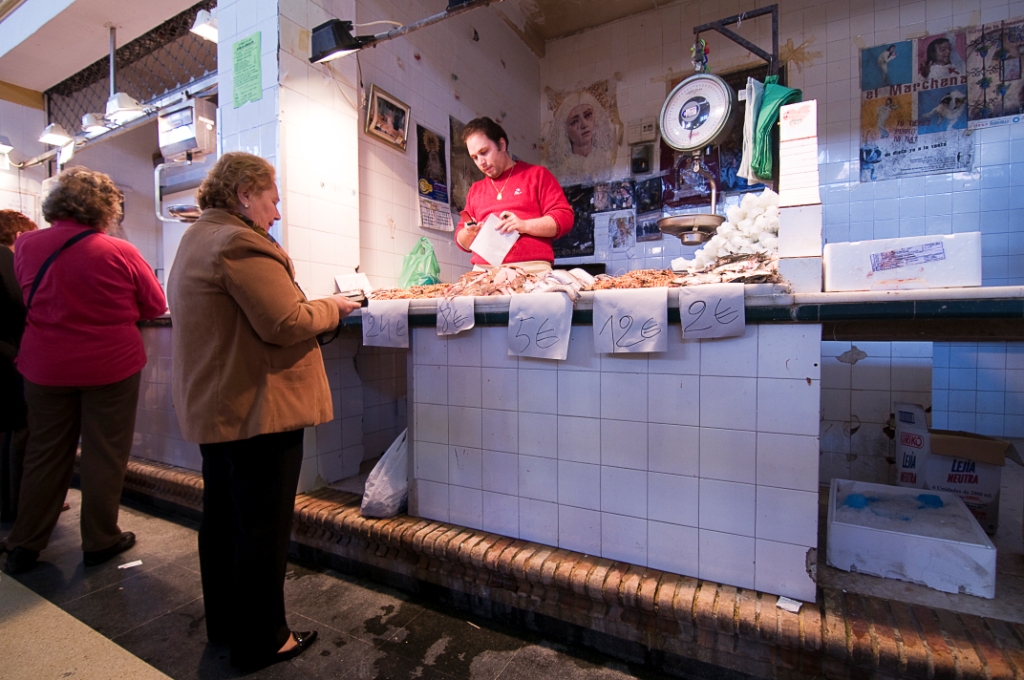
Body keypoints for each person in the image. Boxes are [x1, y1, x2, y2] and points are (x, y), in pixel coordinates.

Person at [167, 152, 360, 671]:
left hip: (223, 406)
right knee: (261, 527)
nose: (277, 212)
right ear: (245, 193)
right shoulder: (238, 241)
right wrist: (334, 307)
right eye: (272, 200)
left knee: (224, 522)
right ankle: (263, 640)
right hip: (257, 407)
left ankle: (227, 625)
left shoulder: (197, 237)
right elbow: (283, 321)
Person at [2, 167, 166, 575]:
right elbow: (154, 304)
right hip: (110, 366)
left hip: (44, 367)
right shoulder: (119, 250)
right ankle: (99, 539)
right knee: (104, 453)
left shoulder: (26, 245)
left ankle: (24, 544)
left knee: (44, 452)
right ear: (105, 208)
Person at [455, 117, 574, 273]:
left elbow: (565, 218)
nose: (481, 162)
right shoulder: (475, 190)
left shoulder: (537, 175)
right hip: (483, 273)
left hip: (532, 271)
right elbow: (461, 242)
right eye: (475, 157)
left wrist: (524, 226)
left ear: (502, 144)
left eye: (484, 152)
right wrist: (468, 233)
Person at [0, 210, 38, 523]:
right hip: (8, 354)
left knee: (8, 429)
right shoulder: (6, 259)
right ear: (18, 235)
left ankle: (9, 503)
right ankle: (21, 505)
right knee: (21, 427)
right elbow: (22, 303)